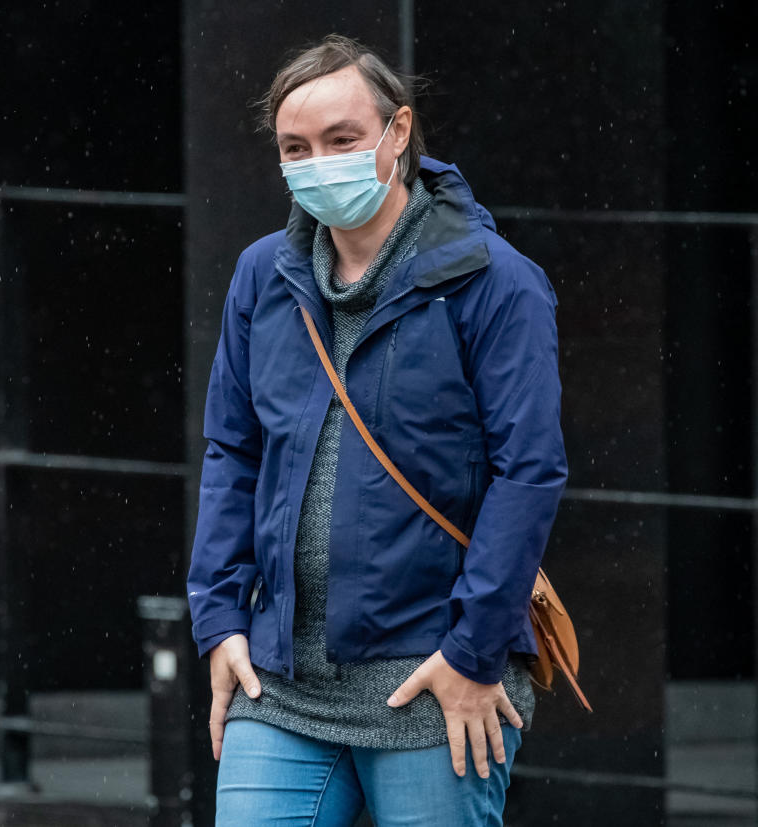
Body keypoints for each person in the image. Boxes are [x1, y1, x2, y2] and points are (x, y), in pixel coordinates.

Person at [185, 34, 568, 826]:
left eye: (342, 139)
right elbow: (233, 448)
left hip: (432, 672)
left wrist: (472, 653)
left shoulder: (492, 280)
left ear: (398, 132)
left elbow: (528, 472)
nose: (317, 161)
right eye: (296, 146)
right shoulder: (264, 274)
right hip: (280, 678)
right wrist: (219, 617)